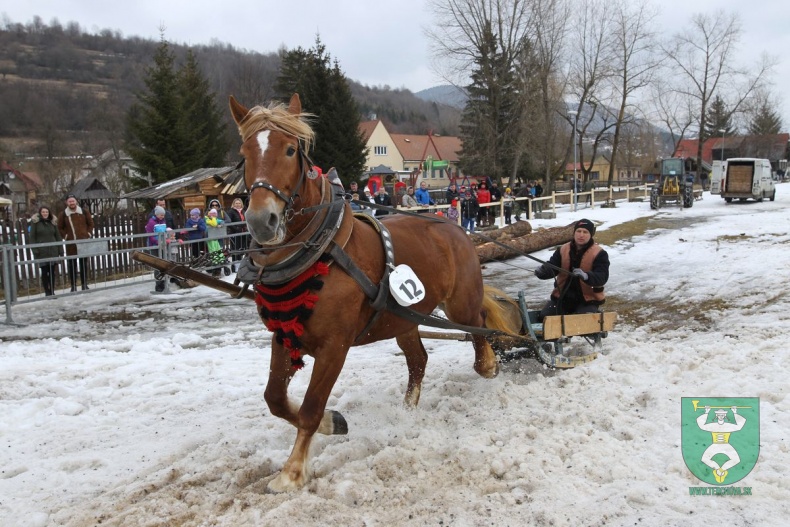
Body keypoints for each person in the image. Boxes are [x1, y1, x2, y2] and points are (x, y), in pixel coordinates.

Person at [534, 218, 609, 319]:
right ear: (574, 233)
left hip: (587, 300)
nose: (581, 235)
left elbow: (602, 276)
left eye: (585, 232)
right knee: (544, 318)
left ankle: (593, 311)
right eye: (578, 231)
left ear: (591, 234)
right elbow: (553, 267)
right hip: (562, 298)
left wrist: (587, 276)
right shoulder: (562, 249)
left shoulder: (600, 253)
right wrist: (542, 271)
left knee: (579, 321)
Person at [58, 194, 94, 291]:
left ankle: (84, 284)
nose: (72, 203)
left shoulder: (84, 212)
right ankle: (73, 286)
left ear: (76, 201)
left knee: (83, 264)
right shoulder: (63, 214)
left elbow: (90, 224)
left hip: (83, 242)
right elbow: (60, 227)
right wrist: (66, 236)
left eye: (73, 201)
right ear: (67, 203)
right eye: (70, 201)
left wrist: (88, 234)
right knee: (72, 265)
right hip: (71, 244)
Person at [28, 205, 63, 297]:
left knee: (52, 272)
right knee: (44, 272)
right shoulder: (35, 223)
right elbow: (32, 237)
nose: (45, 213)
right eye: (43, 212)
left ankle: (52, 291)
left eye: (46, 212)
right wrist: (35, 250)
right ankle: (47, 291)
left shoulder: (53, 222)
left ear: (49, 213)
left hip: (53, 251)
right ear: (40, 213)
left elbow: (58, 236)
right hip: (42, 251)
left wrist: (60, 249)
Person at [145, 206, 169, 292]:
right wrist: (157, 242)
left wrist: (167, 239)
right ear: (157, 214)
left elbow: (165, 231)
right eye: (161, 215)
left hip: (163, 245)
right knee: (157, 265)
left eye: (163, 215)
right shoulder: (151, 222)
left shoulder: (163, 221)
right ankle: (158, 284)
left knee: (163, 264)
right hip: (154, 246)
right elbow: (150, 235)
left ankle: (163, 282)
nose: (162, 216)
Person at [226, 197, 248, 269]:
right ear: (233, 204)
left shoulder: (244, 211)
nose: (238, 205)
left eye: (239, 203)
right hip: (235, 233)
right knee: (236, 249)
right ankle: (235, 266)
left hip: (243, 233)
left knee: (243, 249)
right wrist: (236, 228)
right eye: (236, 203)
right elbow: (229, 222)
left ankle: (242, 264)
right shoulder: (231, 211)